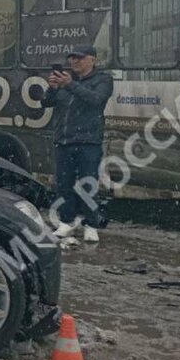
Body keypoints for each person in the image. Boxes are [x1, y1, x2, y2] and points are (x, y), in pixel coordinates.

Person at [41, 44, 113, 243]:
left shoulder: (103, 79)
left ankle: (91, 224)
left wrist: (70, 84)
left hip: (89, 141)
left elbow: (96, 100)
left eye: (79, 58)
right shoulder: (65, 80)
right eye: (72, 58)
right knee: (63, 184)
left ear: (92, 60)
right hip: (64, 140)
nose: (74, 62)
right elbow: (45, 103)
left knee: (88, 184)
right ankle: (66, 222)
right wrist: (53, 89)